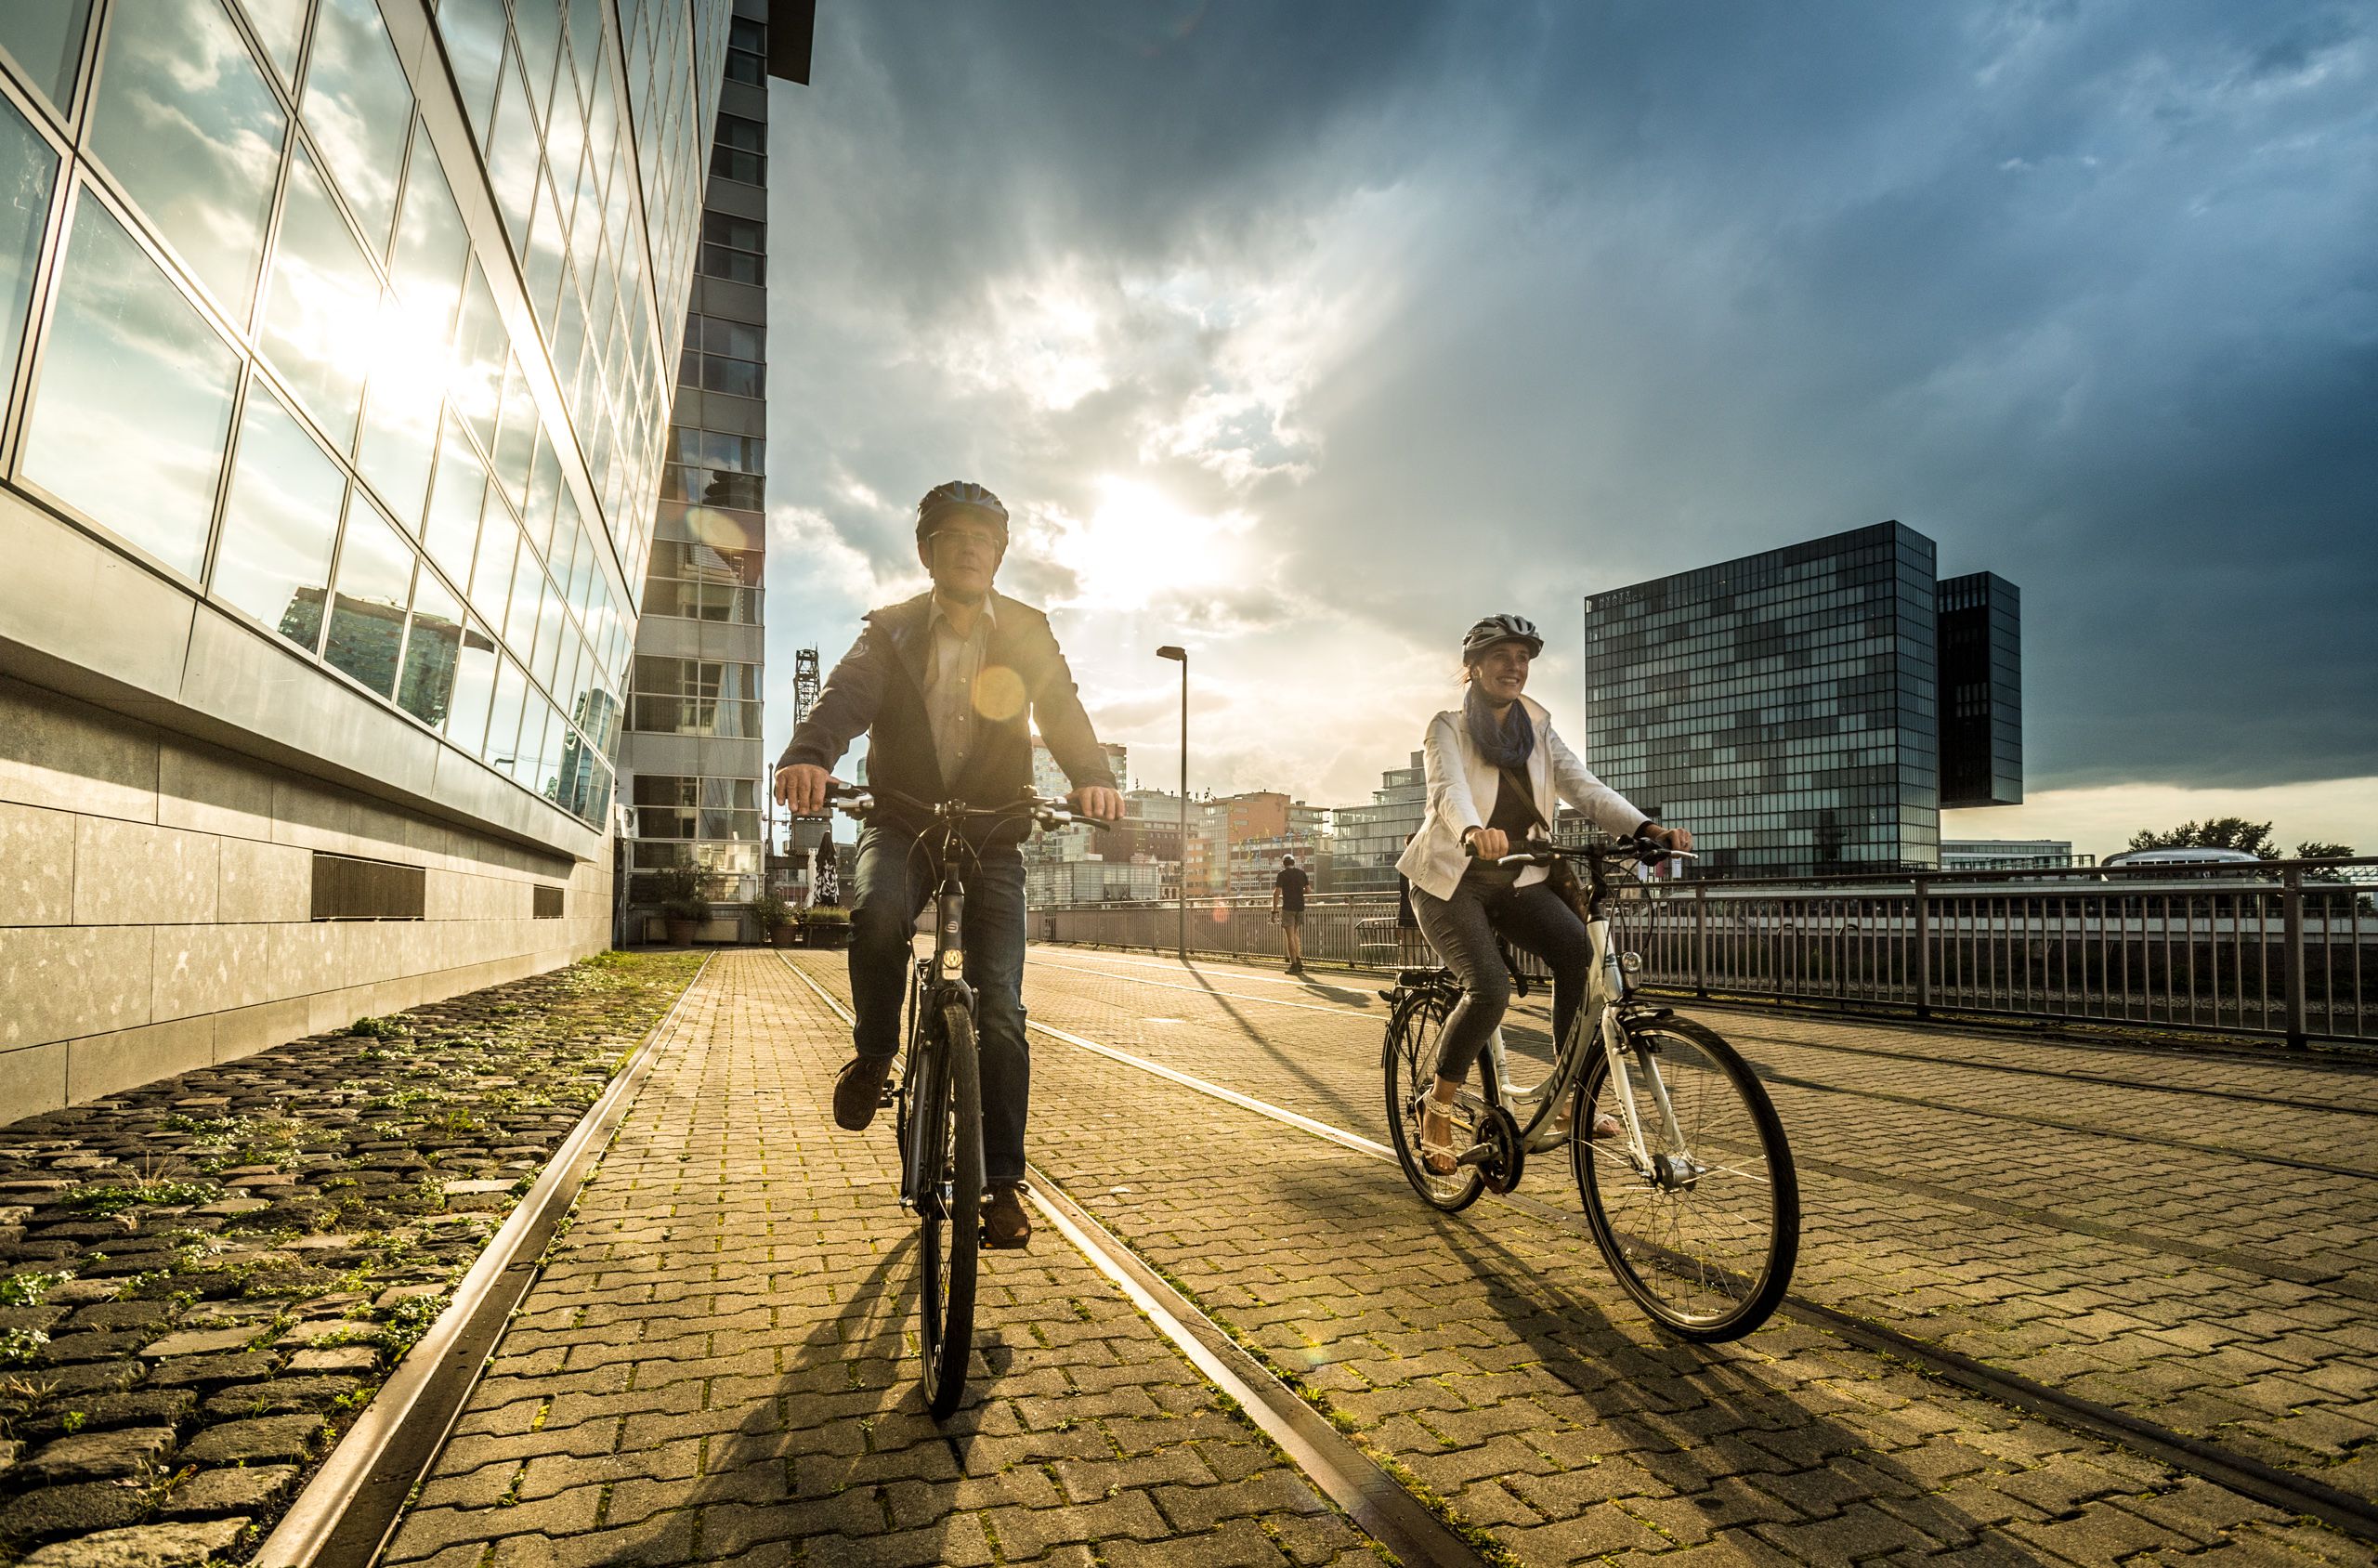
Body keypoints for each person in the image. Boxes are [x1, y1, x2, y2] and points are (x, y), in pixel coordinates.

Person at [776, 481, 1124, 1248]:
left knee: (1000, 1004)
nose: (971, 548)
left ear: (999, 554)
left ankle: (1001, 1180)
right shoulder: (891, 630)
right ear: (928, 550)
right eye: (954, 536)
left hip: (995, 829)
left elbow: (1061, 708)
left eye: (985, 539)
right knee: (876, 917)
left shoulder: (1029, 632)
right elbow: (844, 698)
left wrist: (1093, 774)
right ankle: (873, 1055)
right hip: (902, 819)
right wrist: (809, 755)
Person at [1393, 614, 1692, 1174]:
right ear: (1475, 667)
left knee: (1580, 953)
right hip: (1450, 882)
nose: (1515, 666)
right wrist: (1470, 830)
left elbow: (1581, 785)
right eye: (1502, 656)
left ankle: (1566, 1097)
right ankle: (1438, 1106)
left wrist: (1645, 830)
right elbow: (1446, 789)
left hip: (1517, 878)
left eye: (1523, 657)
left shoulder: (1536, 725)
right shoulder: (1447, 728)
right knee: (1488, 988)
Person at [1271, 853, 1309, 974]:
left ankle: (1294, 965)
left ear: (1283, 864)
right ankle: (1299, 960)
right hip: (1300, 907)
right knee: (1295, 934)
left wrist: (1274, 910)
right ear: (1294, 863)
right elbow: (1308, 891)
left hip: (1288, 908)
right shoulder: (1301, 873)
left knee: (1290, 937)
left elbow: (1277, 893)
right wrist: (1298, 890)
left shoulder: (1282, 875)